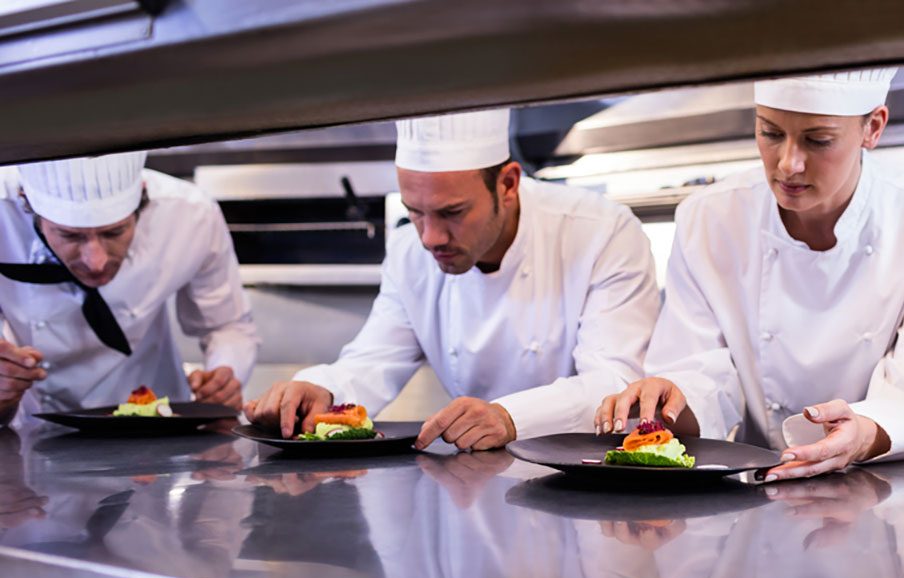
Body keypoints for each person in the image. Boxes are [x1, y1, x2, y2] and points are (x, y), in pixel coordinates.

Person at [595, 69, 904, 482]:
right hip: (758, 486)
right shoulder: (709, 218)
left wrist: (861, 433)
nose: (788, 164)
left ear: (873, 127)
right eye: (770, 133)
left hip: (884, 486)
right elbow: (698, 370)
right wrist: (671, 397)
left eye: (818, 140)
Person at [246, 109, 659, 451]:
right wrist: (321, 388)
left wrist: (509, 417)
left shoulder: (602, 232)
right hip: (470, 481)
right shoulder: (410, 253)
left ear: (508, 184)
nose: (430, 238)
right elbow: (373, 360)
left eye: (452, 213)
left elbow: (615, 385)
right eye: (415, 212)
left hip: (585, 489)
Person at [0, 151, 258, 426]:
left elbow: (227, 324)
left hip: (157, 424)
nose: (95, 262)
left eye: (114, 232)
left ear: (141, 198)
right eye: (69, 235)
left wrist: (223, 374)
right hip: (31, 428)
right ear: (25, 200)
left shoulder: (189, 214)